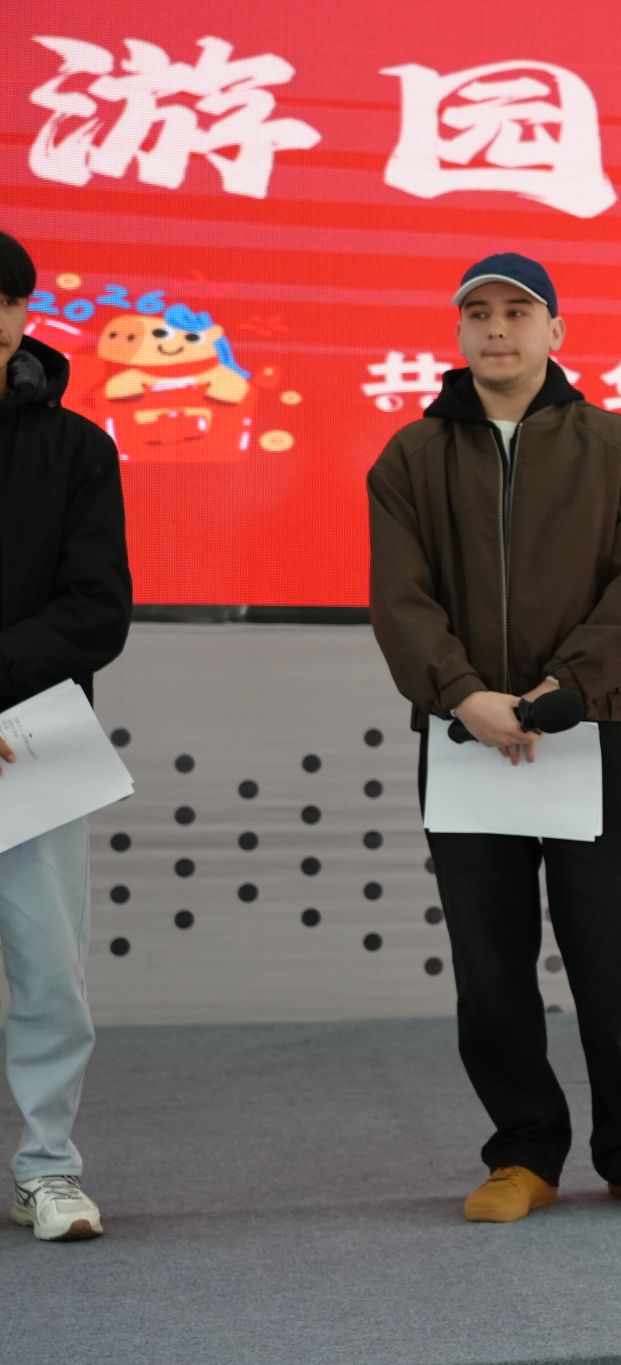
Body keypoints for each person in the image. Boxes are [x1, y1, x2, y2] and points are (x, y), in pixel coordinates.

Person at [367, 252, 621, 1223]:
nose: (496, 328)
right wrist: (465, 696)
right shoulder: (411, 456)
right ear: (458, 332)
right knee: (490, 960)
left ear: (555, 330)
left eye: (517, 311)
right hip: (463, 739)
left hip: (587, 732)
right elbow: (400, 598)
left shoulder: (616, 447)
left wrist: (565, 692)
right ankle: (522, 1152)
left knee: (617, 948)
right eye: (477, 312)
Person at [0, 231, 134, 1242]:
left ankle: (48, 1168)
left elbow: (98, 608)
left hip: (36, 735)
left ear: (20, 316)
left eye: (2, 302)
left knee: (52, 974)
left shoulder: (78, 447)